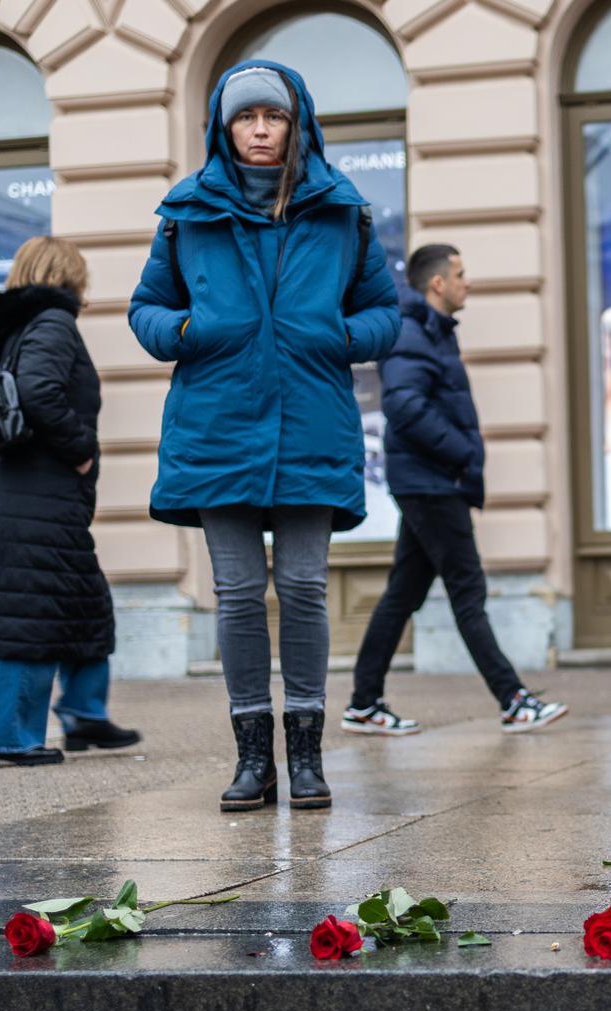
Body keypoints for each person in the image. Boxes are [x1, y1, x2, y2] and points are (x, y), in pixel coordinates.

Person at [128, 61, 400, 812]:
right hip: (217, 425)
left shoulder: (344, 212)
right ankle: (254, 759)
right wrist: (189, 330)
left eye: (272, 117)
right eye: (245, 117)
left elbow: (385, 312)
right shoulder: (186, 213)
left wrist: (336, 336)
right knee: (239, 593)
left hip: (312, 422)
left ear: (295, 124)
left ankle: (306, 758)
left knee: (305, 588)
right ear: (225, 128)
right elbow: (146, 307)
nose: (258, 130)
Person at [341, 245, 568, 737]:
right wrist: (461, 451)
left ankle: (363, 702)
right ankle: (513, 699)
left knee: (403, 593)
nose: (468, 283)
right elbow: (404, 406)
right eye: (461, 274)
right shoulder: (412, 331)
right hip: (431, 483)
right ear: (437, 283)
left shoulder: (432, 331)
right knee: (468, 592)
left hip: (430, 480)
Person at [0, 237, 139, 767]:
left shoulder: (6, 328)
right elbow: (38, 392)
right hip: (35, 492)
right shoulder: (52, 322)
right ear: (68, 278)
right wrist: (81, 450)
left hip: (22, 490)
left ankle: (84, 712)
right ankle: (3, 737)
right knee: (29, 613)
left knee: (84, 601)